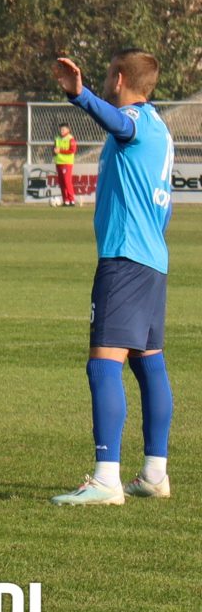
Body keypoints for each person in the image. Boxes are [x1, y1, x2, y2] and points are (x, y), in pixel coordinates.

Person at [50, 50, 174, 504]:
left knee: (103, 363)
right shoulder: (162, 127)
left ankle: (106, 479)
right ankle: (154, 473)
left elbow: (120, 125)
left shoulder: (136, 121)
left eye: (106, 76)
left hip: (124, 260)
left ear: (120, 79)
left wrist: (79, 95)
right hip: (152, 261)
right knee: (148, 362)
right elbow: (167, 205)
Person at [54, 123, 79, 207]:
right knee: (61, 183)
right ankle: (66, 200)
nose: (61, 131)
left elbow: (72, 150)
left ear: (68, 130)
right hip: (59, 162)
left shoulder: (70, 139)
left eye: (63, 129)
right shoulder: (57, 138)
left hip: (67, 163)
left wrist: (60, 151)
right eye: (61, 129)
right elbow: (54, 149)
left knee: (67, 181)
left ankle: (72, 200)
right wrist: (54, 151)